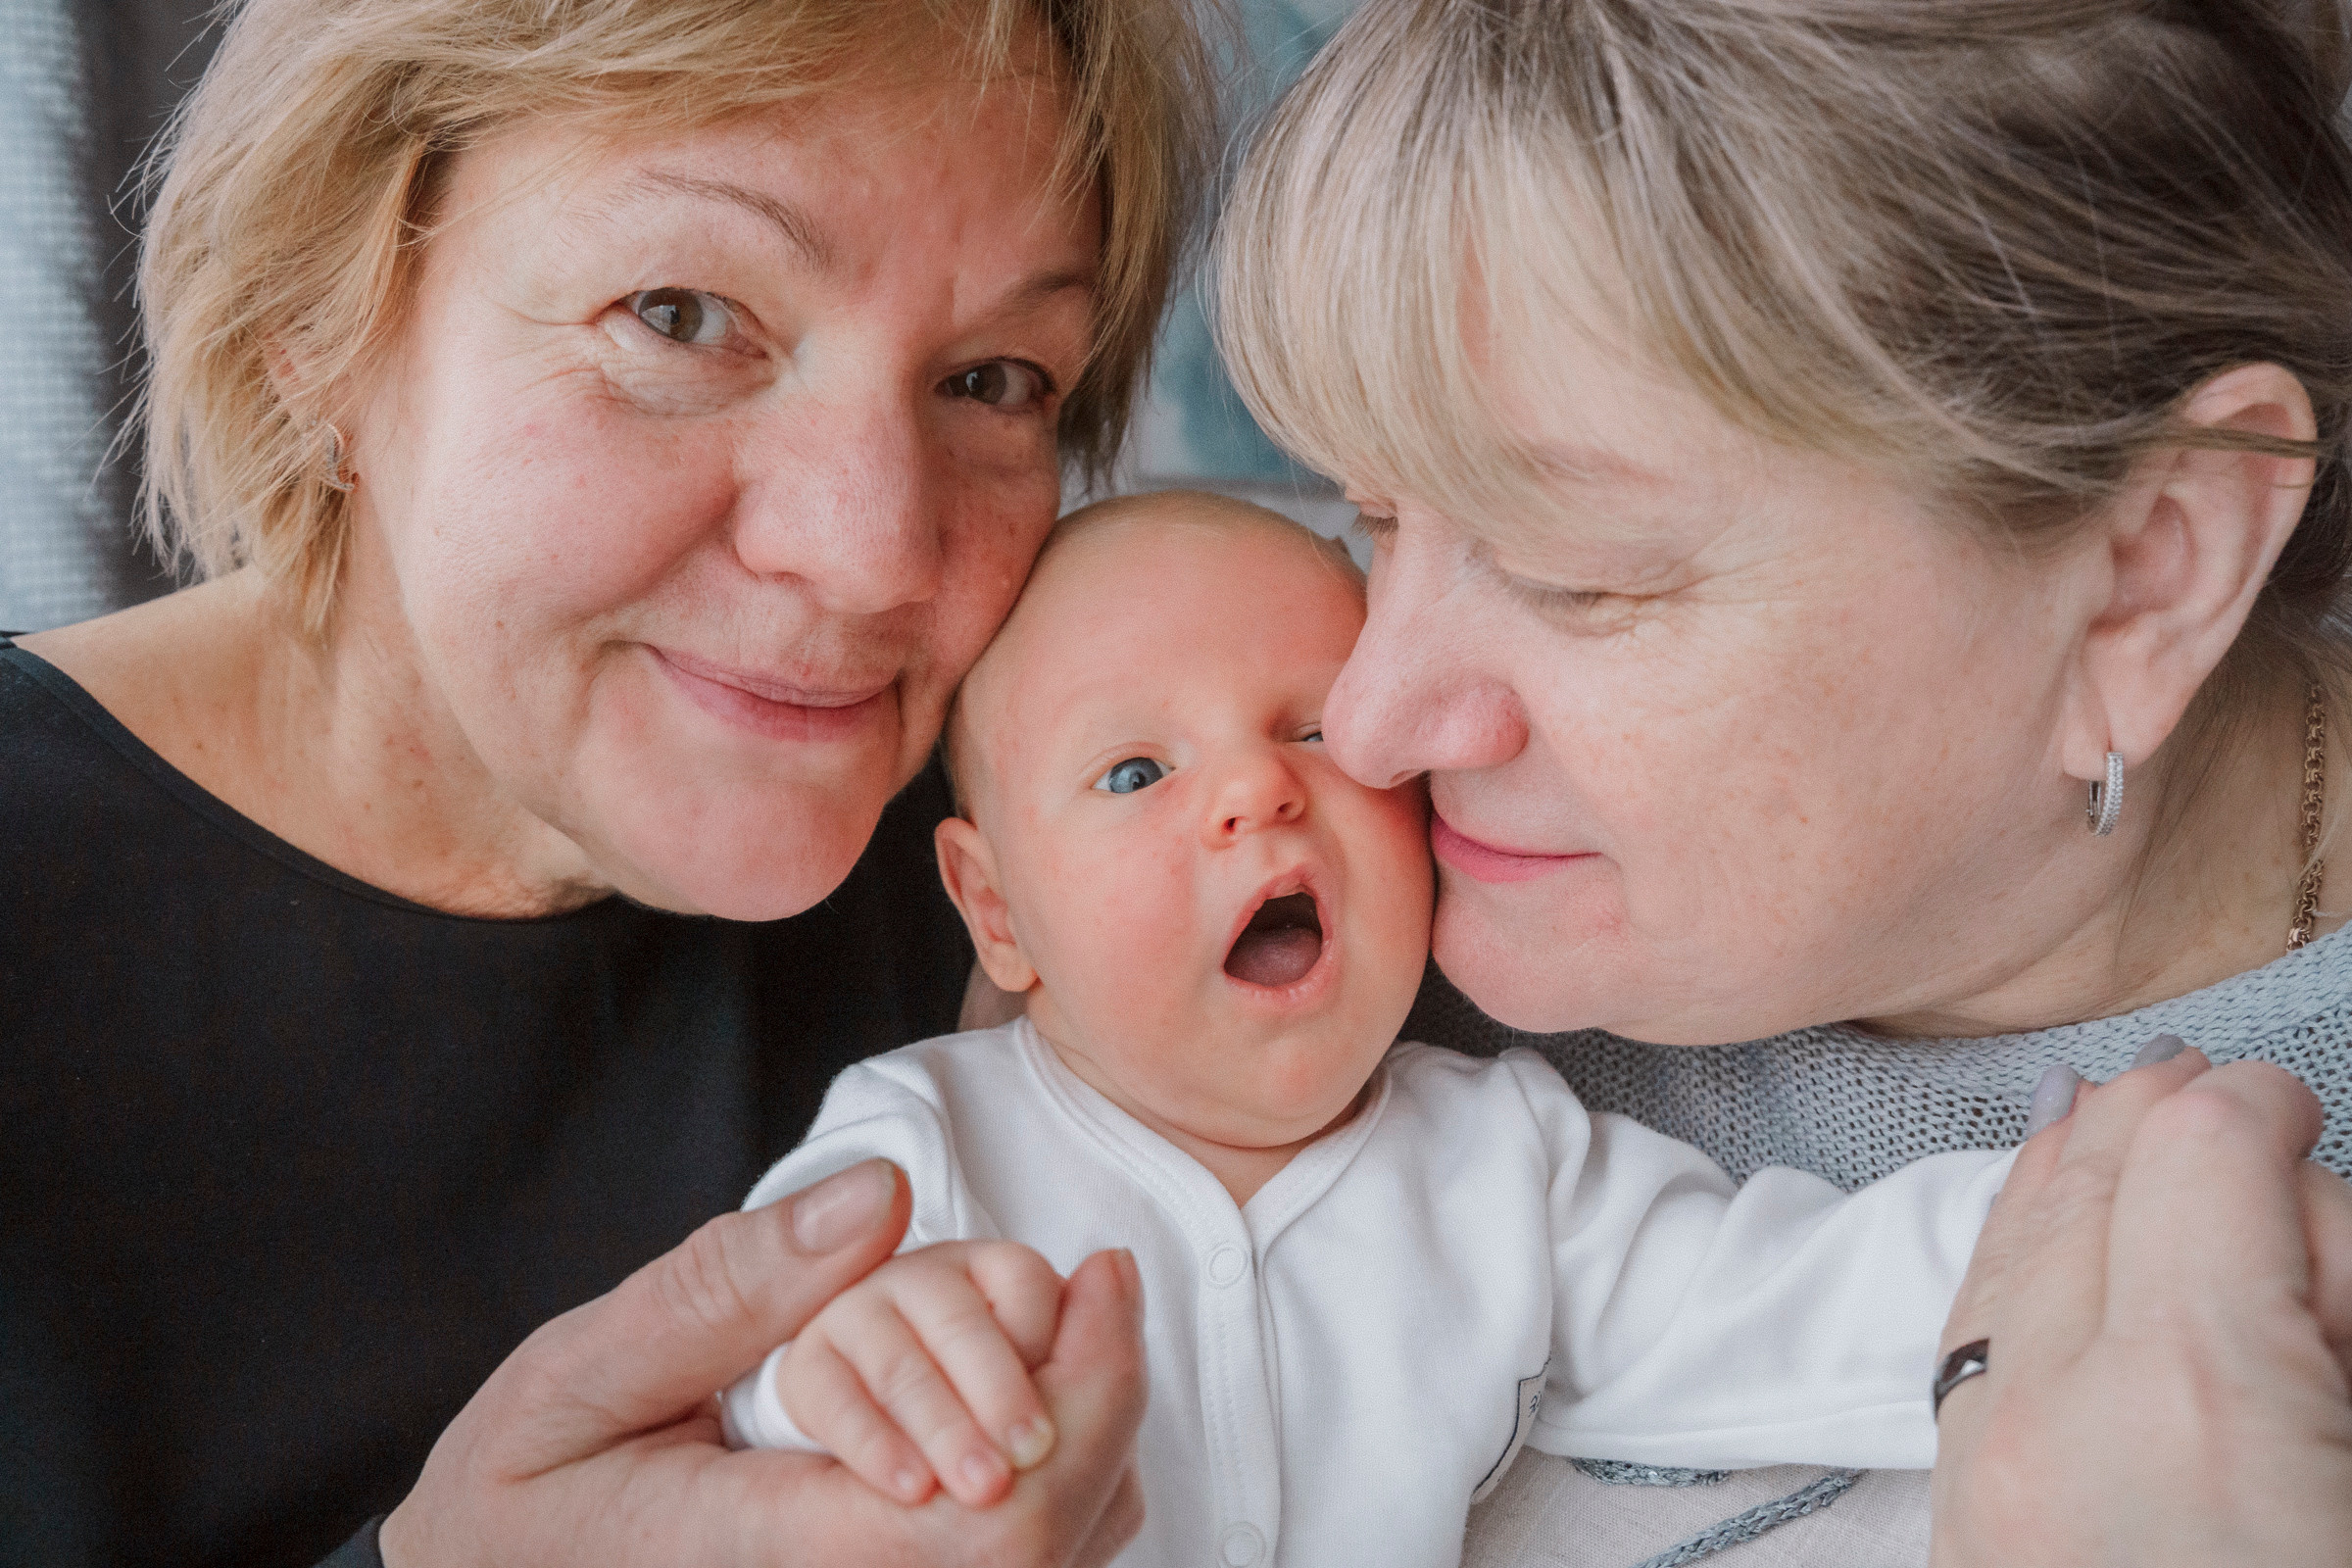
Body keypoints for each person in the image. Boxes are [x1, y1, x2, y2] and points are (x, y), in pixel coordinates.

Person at [0, 1, 1214, 1565]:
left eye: (992, 380)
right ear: (322, 316)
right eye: (683, 317)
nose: (874, 557)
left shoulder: (1045, 878)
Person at [1208, 0, 2352, 1562]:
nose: (1369, 722)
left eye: (1575, 574)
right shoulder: (1277, 925)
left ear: (2151, 571)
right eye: (1371, 516)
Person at [717, 493, 2017, 1568]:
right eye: (1136, 772)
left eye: (1318, 730)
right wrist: (837, 1367)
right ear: (996, 908)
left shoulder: (1505, 1162)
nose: (1257, 790)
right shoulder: (922, 1142)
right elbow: (754, 1372)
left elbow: (1779, 1304)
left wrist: (2074, 1216)